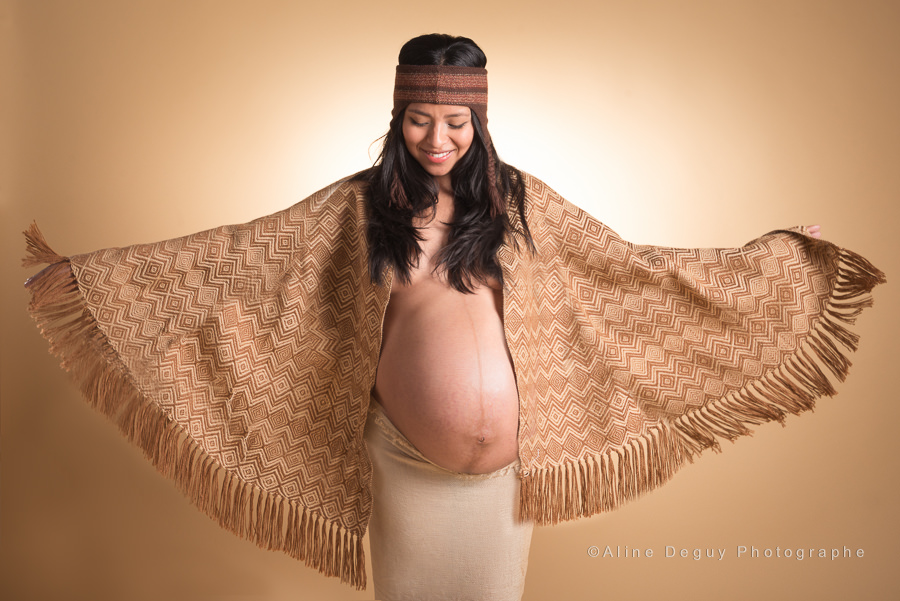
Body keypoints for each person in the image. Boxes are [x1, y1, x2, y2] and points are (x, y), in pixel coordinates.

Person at [23, 34, 883, 601]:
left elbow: (639, 272)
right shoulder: (354, 210)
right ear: (398, 119)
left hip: (503, 483)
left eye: (457, 121)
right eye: (422, 119)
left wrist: (774, 260)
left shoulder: (520, 205)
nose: (440, 138)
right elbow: (233, 261)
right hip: (405, 464)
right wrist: (92, 278)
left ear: (480, 121)